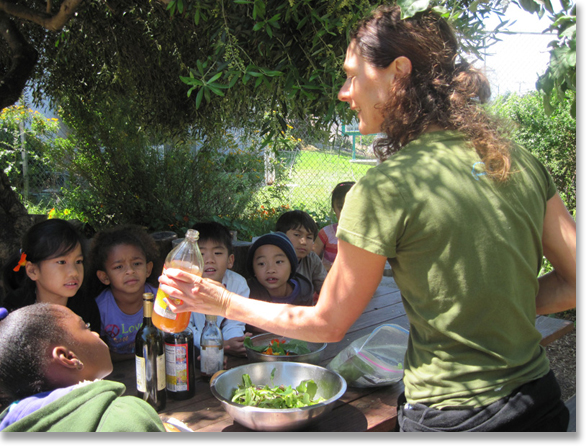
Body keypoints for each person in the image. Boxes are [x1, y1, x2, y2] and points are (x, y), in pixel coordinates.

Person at [159, 4, 575, 432]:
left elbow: (328, 323)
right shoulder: (515, 160)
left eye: (353, 74)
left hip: (454, 419)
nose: (344, 91)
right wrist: (496, 311)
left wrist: (223, 301)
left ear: (398, 72)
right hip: (540, 403)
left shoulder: (384, 188)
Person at [0, 303, 165, 432]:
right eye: (86, 327)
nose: (96, 334)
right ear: (68, 357)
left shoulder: (11, 427)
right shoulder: (124, 417)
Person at [1, 218, 101, 333]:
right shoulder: (15, 308)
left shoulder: (86, 306)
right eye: (62, 262)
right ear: (33, 271)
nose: (74, 272)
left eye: (78, 261)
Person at [88, 225, 159, 362]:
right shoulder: (99, 308)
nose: (130, 271)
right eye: (119, 267)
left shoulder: (160, 299)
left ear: (148, 269)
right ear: (104, 277)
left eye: (137, 264)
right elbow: (101, 353)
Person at [188, 221, 251, 357]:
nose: (209, 259)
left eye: (217, 253)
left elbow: (234, 323)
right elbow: (186, 329)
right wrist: (218, 346)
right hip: (189, 351)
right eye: (201, 253)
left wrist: (233, 342)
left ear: (230, 260)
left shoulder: (238, 284)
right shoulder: (184, 286)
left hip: (225, 350)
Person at [244, 232, 314, 334]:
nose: (270, 270)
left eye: (279, 262)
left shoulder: (304, 291)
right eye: (261, 263)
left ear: (291, 266)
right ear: (253, 270)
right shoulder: (247, 293)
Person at [276, 210, 328, 303]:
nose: (303, 242)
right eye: (297, 235)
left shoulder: (311, 259)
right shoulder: (271, 257)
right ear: (280, 235)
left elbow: (326, 289)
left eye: (309, 237)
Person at [313, 181, 355, 271]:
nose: (345, 213)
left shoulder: (365, 236)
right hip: (327, 281)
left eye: (351, 208)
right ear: (334, 208)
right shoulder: (326, 233)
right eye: (340, 208)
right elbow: (311, 259)